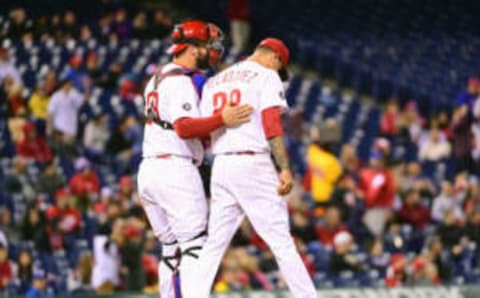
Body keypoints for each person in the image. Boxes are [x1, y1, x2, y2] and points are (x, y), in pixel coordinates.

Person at [136, 20, 253, 298]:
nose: (212, 52)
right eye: (207, 46)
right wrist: (220, 119)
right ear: (191, 48)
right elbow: (184, 127)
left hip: (151, 169)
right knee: (194, 245)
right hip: (174, 170)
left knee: (171, 248)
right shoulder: (179, 81)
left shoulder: (158, 77)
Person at [195, 37, 316, 298]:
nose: (277, 71)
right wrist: (283, 167)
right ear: (274, 57)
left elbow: (205, 128)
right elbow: (271, 124)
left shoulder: (215, 81)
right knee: (281, 242)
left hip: (222, 165)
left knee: (214, 244)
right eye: (279, 66)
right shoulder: (266, 75)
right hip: (251, 163)